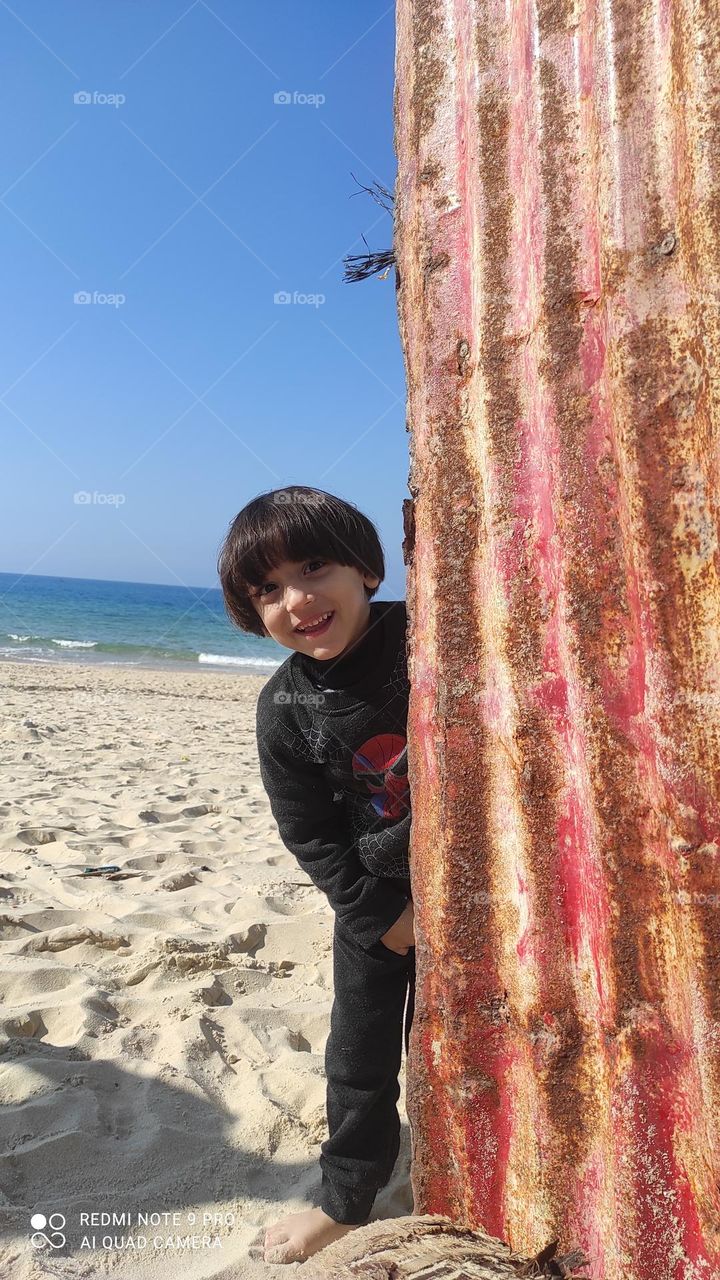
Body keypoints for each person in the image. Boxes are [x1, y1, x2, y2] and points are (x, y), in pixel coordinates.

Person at [217, 485, 416, 1264]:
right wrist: (382, 918)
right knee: (359, 1058)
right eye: (267, 589)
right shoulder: (285, 709)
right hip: (376, 903)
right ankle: (344, 1199)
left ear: (367, 568)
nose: (297, 600)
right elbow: (310, 834)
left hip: (481, 885)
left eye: (314, 566)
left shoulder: (431, 634)